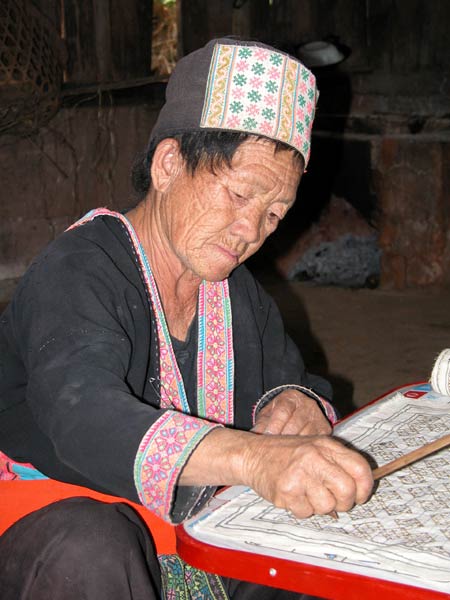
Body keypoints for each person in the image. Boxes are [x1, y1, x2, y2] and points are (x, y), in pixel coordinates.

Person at [0, 37, 373, 599]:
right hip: (46, 521)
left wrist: (292, 404)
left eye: (274, 213)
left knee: (312, 547)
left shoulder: (234, 292)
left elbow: (294, 379)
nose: (251, 231)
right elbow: (84, 418)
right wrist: (253, 457)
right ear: (169, 164)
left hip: (185, 529)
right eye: (239, 193)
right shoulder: (78, 269)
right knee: (92, 548)